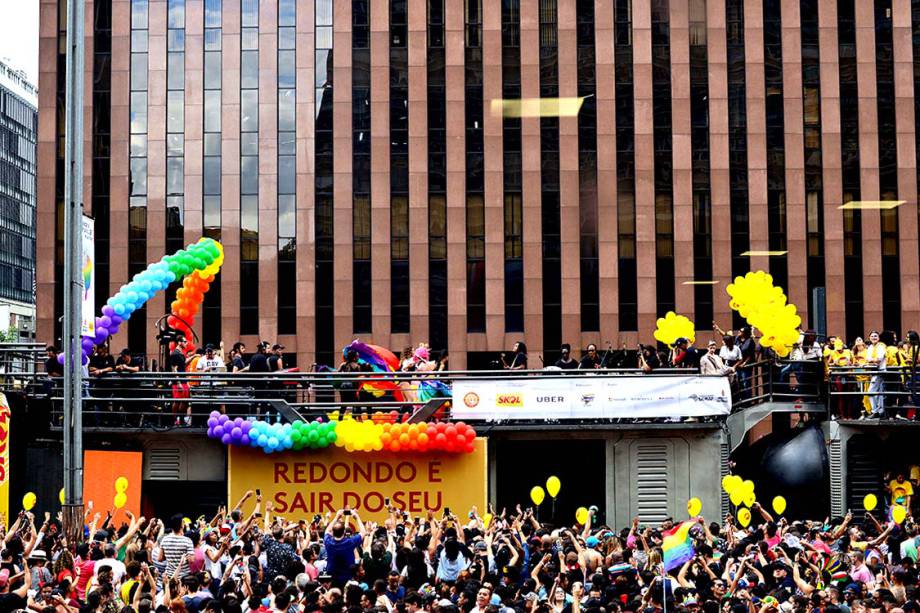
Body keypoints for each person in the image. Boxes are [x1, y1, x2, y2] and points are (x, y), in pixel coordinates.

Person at [323, 509, 366, 586]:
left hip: (332, 579)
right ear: (344, 532)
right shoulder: (350, 542)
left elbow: (327, 531)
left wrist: (336, 517)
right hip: (347, 578)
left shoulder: (328, 542)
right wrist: (357, 517)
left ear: (333, 532)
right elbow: (363, 532)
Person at [170, 337, 192, 426]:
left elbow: (184, 364)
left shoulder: (181, 353)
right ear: (179, 342)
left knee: (185, 401)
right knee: (177, 401)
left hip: (183, 380)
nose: (186, 343)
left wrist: (194, 356)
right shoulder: (175, 354)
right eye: (185, 341)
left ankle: (182, 420)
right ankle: (175, 421)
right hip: (178, 381)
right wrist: (178, 382)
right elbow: (174, 369)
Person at [865, 330, 888, 418]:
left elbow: (879, 359)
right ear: (869, 338)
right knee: (878, 392)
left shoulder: (881, 346)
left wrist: (871, 360)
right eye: (872, 336)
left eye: (875, 336)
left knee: (871, 391)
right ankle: (880, 411)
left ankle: (876, 411)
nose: (874, 337)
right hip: (873, 371)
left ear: (878, 338)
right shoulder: (870, 347)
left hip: (880, 371)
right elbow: (867, 359)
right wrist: (871, 360)